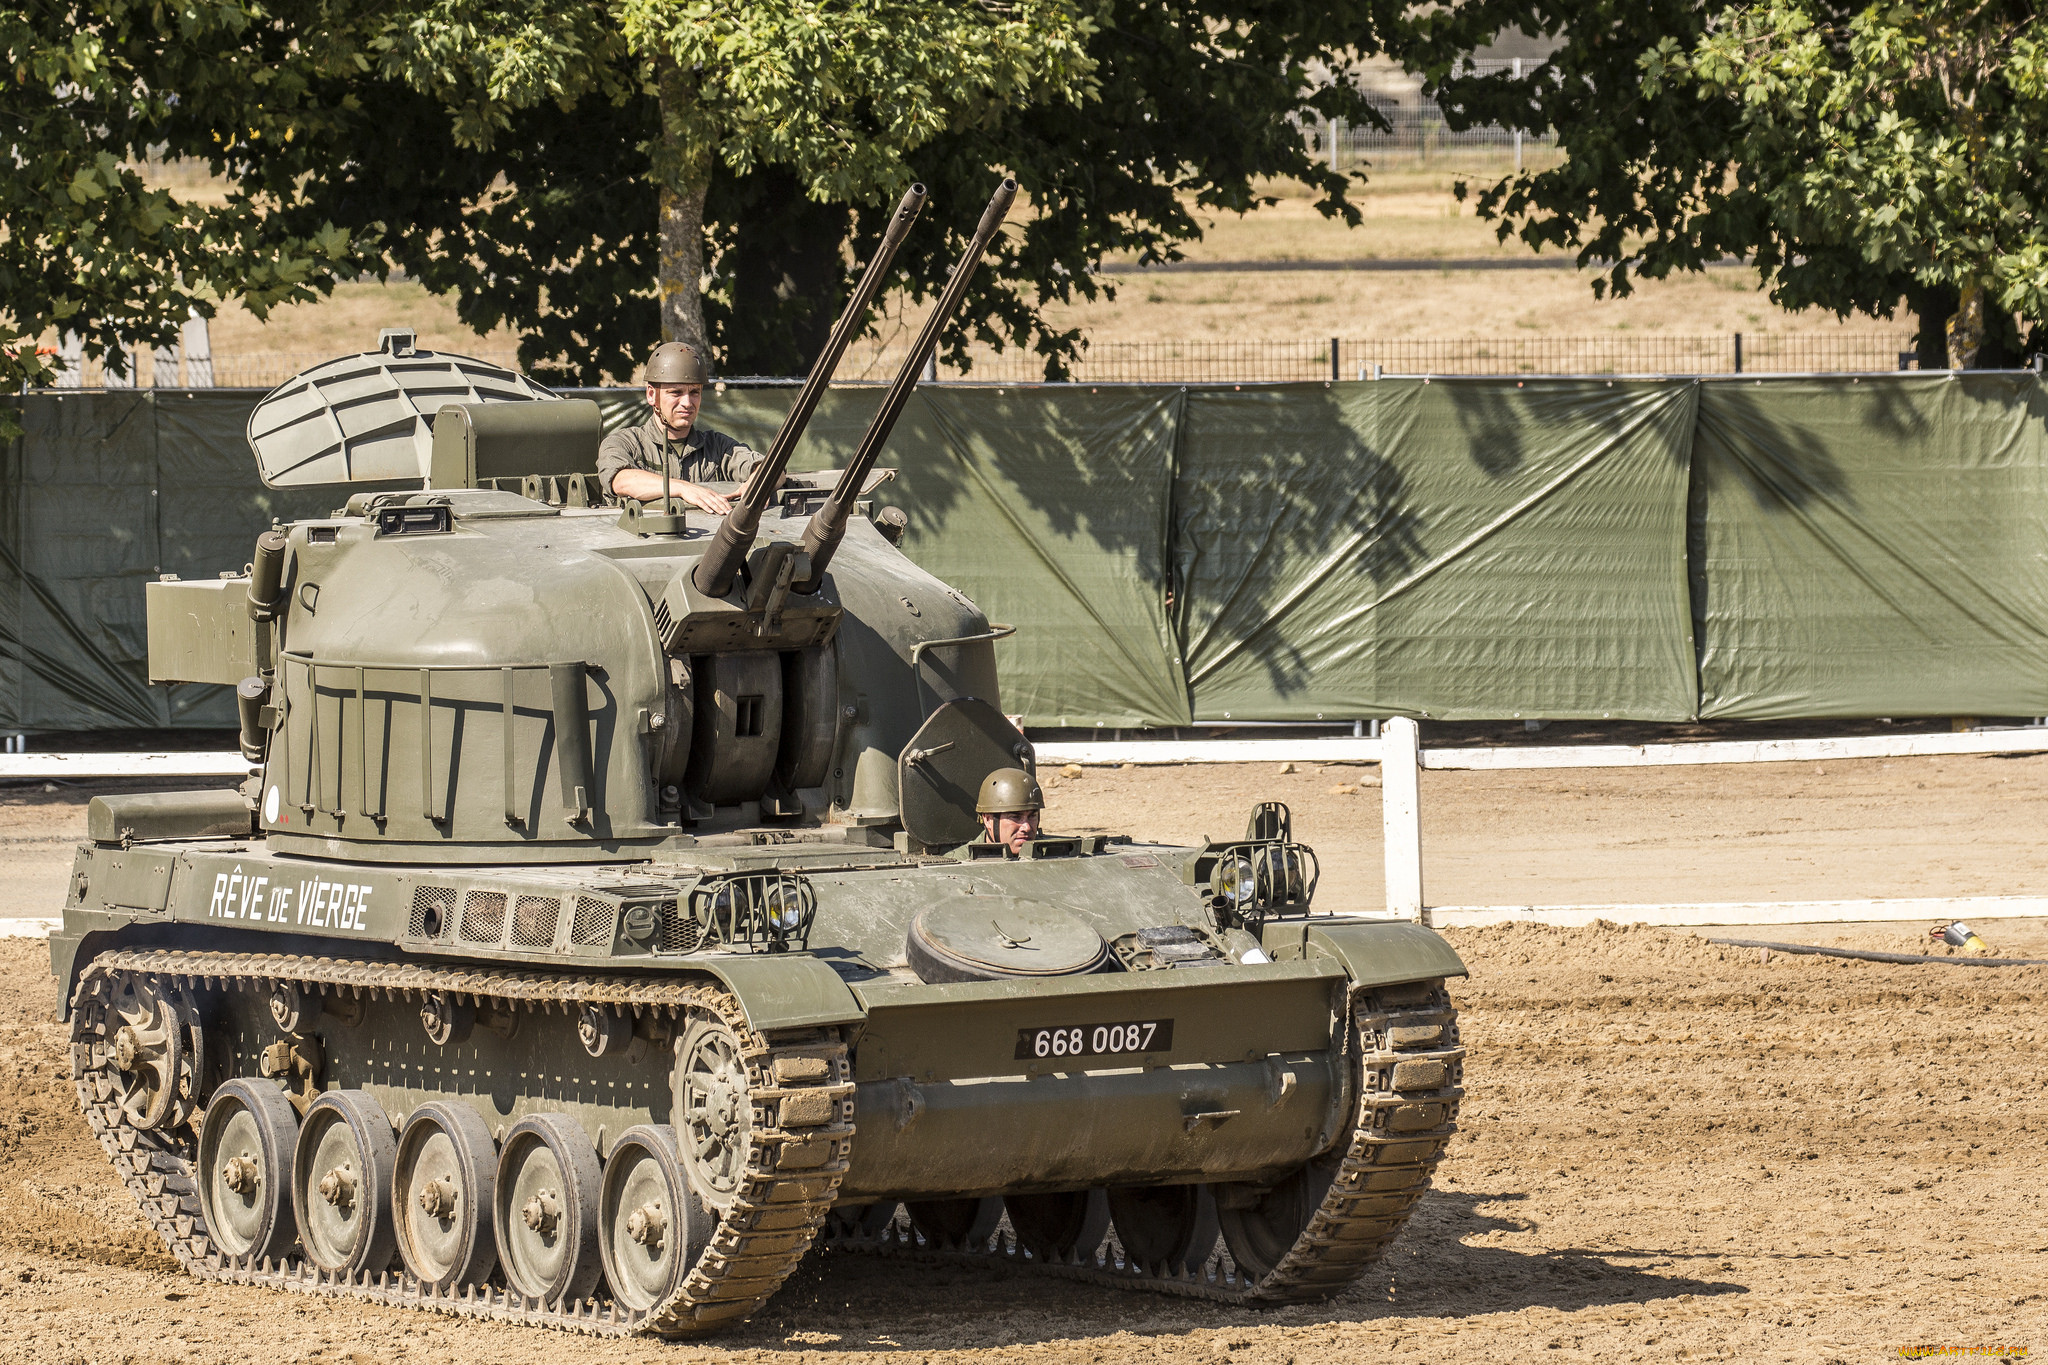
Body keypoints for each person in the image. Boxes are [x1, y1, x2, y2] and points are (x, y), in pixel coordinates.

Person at [596, 342, 772, 514]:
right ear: (651, 395)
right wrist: (683, 488)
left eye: (695, 392)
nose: (687, 403)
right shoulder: (625, 442)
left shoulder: (716, 446)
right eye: (676, 392)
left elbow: (771, 469)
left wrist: (759, 482)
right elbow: (621, 480)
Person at [976, 767, 1043, 856]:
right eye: (1015, 817)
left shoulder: (1052, 854)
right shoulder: (960, 864)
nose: (1027, 828)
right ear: (988, 820)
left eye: (1032, 816)